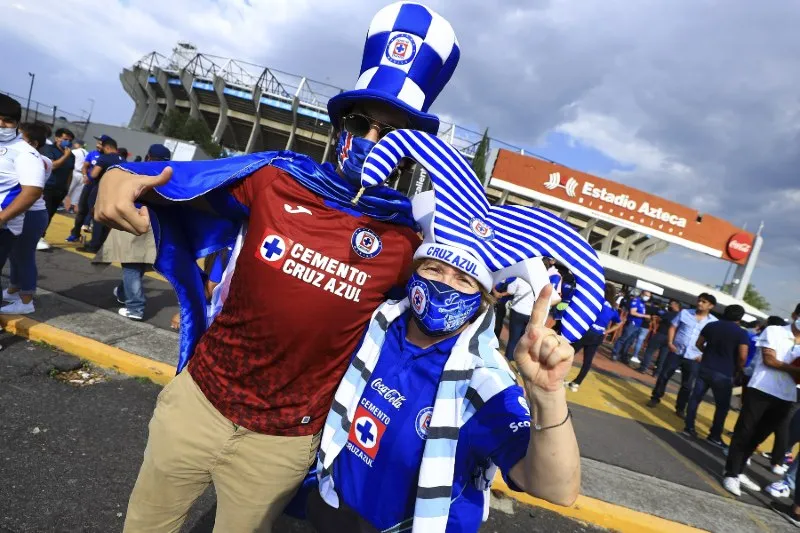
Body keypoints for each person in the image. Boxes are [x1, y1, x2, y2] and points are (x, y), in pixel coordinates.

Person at [96, 4, 464, 531]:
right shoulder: (275, 179)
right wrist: (117, 173)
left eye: (396, 132)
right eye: (361, 123)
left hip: (282, 445)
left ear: (413, 153)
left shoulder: (410, 240)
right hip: (198, 407)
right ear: (340, 127)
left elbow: (448, 313)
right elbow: (172, 180)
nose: (373, 141)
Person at [306, 128, 603, 533]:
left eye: (464, 281)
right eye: (433, 269)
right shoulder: (376, 328)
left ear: (482, 300)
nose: (445, 284)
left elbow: (557, 489)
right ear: (414, 274)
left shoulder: (483, 380)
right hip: (331, 507)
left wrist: (548, 395)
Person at [722, 303, 800, 497]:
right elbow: (769, 360)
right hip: (762, 389)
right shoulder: (775, 331)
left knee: (759, 436)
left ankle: (739, 471)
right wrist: (796, 370)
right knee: (745, 431)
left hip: (787, 396)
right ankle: (730, 473)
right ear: (794, 314)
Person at [92, 144, 172, 320]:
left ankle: (135, 307)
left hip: (132, 220)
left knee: (131, 266)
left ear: (148, 156)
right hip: (154, 224)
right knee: (137, 264)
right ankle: (122, 293)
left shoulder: (138, 171)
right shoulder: (168, 177)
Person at [1, 122, 52, 314]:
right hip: (24, 212)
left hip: (31, 214)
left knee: (24, 256)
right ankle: (14, 289)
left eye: (21, 137)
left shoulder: (36, 159)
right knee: (14, 255)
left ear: (34, 143)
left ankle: (26, 300)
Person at [682, 304, 749, 446]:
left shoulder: (711, 325)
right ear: (740, 318)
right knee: (722, 406)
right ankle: (714, 435)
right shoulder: (741, 333)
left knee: (695, 398)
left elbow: (699, 343)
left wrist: (706, 354)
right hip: (725, 373)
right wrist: (738, 369)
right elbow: (743, 356)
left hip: (706, 367)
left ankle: (689, 427)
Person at [0, 95, 46, 286]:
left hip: (4, 226)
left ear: (16, 124)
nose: (1, 124)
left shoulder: (26, 153)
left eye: (7, 120)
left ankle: (22, 299)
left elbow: (32, 192)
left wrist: (2, 218)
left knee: (22, 259)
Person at [647, 293, 717, 415]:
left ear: (711, 306)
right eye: (699, 300)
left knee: (687, 384)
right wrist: (669, 342)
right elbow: (673, 327)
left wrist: (703, 355)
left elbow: (713, 341)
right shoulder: (685, 313)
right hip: (676, 351)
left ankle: (680, 408)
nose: (700, 303)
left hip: (694, 356)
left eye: (704, 302)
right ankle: (655, 398)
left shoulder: (713, 322)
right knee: (664, 376)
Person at [566, 283, 622, 392]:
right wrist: (606, 331)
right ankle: (577, 383)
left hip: (586, 331)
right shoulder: (613, 308)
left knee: (569, 353)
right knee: (588, 360)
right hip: (598, 335)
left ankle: (558, 375)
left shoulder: (596, 302)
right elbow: (619, 323)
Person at [77, 138, 123, 253]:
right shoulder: (123, 160)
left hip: (101, 190)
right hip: (115, 192)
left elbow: (94, 174)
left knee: (97, 217)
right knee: (108, 220)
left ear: (107, 147)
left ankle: (93, 245)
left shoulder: (104, 158)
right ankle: (102, 244)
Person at [66, 135, 109, 243]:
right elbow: (85, 166)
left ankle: (94, 241)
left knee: (95, 213)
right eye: (98, 143)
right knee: (81, 210)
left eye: (100, 143)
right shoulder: (92, 154)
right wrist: (85, 176)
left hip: (100, 188)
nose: (98, 145)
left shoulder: (108, 157)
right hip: (89, 185)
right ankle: (75, 233)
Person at [38, 126, 75, 248]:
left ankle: (40, 236)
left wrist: (67, 189)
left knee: (51, 213)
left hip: (60, 189)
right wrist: (65, 156)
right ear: (57, 138)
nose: (67, 142)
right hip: (48, 187)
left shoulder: (72, 156)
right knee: (44, 213)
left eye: (69, 140)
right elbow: (52, 166)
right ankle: (38, 236)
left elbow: (70, 173)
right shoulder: (49, 149)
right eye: (65, 139)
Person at [639, 299, 681, 374]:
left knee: (650, 350)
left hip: (661, 334)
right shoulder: (681, 316)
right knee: (663, 355)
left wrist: (656, 321)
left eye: (671, 304)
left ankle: (643, 368)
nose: (669, 305)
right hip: (671, 338)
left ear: (676, 305)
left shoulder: (670, 314)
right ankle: (657, 372)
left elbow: (659, 319)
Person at [611, 290, 651, 363]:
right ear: (642, 294)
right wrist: (645, 316)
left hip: (638, 324)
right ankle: (615, 353)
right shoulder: (636, 301)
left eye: (649, 296)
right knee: (623, 338)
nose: (647, 297)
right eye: (646, 295)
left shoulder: (643, 303)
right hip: (632, 323)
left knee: (629, 341)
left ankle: (622, 355)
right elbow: (633, 312)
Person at [64, 139, 87, 214]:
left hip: (74, 172)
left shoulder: (75, 151)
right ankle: (72, 208)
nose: (74, 145)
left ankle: (60, 204)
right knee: (77, 192)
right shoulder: (87, 153)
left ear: (78, 144)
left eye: (75, 143)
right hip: (83, 175)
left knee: (68, 189)